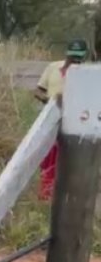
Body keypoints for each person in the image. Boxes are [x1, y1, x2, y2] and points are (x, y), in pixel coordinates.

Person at [35, 39, 89, 200]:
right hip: (51, 119)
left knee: (69, 159)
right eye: (73, 56)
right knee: (48, 157)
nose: (75, 60)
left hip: (74, 122)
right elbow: (38, 91)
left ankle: (68, 195)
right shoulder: (53, 68)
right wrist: (50, 102)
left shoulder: (86, 72)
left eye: (79, 57)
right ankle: (46, 193)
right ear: (67, 53)